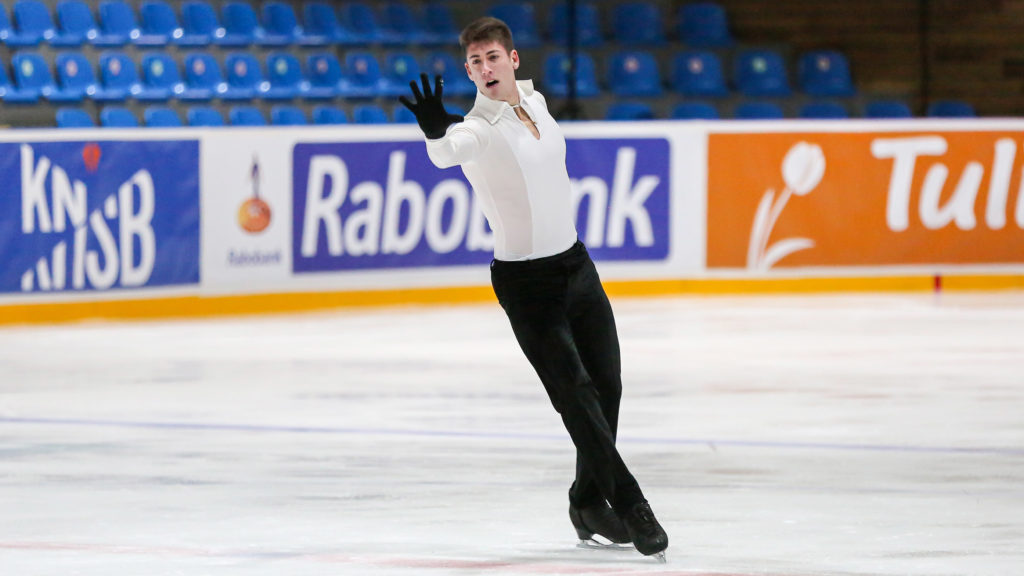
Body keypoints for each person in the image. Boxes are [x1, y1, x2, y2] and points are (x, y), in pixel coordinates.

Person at [399, 17, 669, 560]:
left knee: (608, 386)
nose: (484, 68)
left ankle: (587, 502)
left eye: (492, 57)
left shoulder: (536, 103)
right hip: (527, 283)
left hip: (577, 266)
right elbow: (448, 152)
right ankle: (632, 504)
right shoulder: (477, 128)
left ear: (513, 59)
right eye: (474, 62)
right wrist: (434, 132)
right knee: (576, 396)